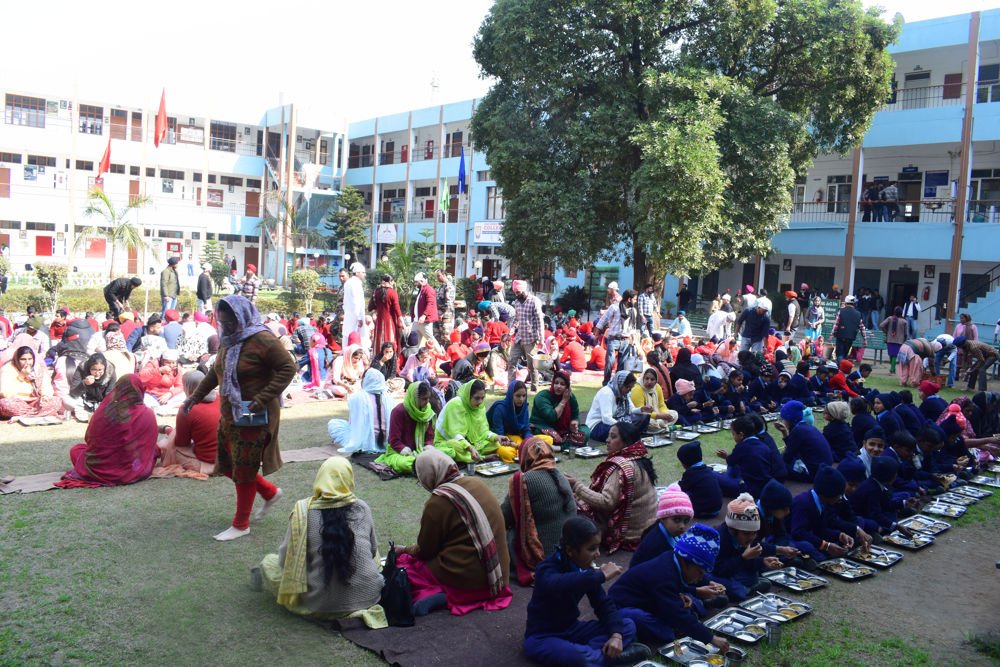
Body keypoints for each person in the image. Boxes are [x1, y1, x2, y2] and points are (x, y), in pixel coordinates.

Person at [184, 295, 297, 542]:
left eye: (230, 322)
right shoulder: (229, 340)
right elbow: (216, 372)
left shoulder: (263, 339)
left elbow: (288, 368)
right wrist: (195, 397)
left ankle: (241, 524)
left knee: (244, 467)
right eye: (222, 322)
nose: (226, 326)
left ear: (242, 316)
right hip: (230, 413)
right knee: (226, 465)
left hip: (254, 414)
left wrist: (263, 397)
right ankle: (269, 492)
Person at [258, 457, 386, 626]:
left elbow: (284, 561)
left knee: (269, 563)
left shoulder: (303, 512)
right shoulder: (362, 507)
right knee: (372, 553)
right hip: (370, 598)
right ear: (349, 479)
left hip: (320, 606)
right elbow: (373, 551)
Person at [395, 447, 512, 616]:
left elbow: (425, 550)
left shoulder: (438, 501)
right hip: (499, 577)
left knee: (407, 564)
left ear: (428, 475)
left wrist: (404, 550)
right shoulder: (477, 482)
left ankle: (441, 594)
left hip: (468, 581)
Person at [523, 516, 649, 667]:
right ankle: (608, 657)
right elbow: (558, 583)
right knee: (579, 657)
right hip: (542, 636)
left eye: (598, 547)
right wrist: (600, 576)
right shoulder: (546, 569)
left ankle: (594, 656)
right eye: (591, 549)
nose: (597, 554)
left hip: (573, 629)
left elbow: (602, 604)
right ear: (570, 550)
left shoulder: (586, 571)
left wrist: (616, 635)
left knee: (627, 626)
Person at [609, 524, 730, 651]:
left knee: (683, 611)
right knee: (667, 633)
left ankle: (689, 616)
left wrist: (692, 591)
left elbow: (673, 587)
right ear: (685, 562)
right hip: (621, 607)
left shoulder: (673, 559)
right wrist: (712, 638)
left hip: (649, 600)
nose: (701, 578)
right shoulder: (664, 574)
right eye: (700, 572)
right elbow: (676, 609)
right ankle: (630, 644)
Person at [567, 417, 657, 553]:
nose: (607, 440)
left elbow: (606, 502)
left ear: (626, 441)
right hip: (646, 529)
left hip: (629, 534)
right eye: (609, 436)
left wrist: (576, 486)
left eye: (613, 437)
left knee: (571, 512)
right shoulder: (639, 458)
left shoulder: (621, 466)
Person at [55, 376, 160, 488]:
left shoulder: (104, 411)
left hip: (100, 469)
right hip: (134, 470)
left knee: (76, 450)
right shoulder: (147, 413)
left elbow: (89, 438)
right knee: (155, 450)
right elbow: (149, 443)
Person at [501, 438, 576, 585]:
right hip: (570, 552)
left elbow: (503, 517)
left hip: (545, 555)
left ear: (525, 457)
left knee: (507, 533)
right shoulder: (560, 475)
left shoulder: (525, 480)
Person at [790, 465, 871, 561]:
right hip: (792, 539)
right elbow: (798, 533)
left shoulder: (825, 503)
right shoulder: (802, 502)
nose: (840, 498)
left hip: (813, 535)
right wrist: (825, 545)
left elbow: (822, 528)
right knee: (808, 548)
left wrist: (839, 535)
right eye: (839, 495)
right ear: (827, 495)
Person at [711, 494, 783, 602]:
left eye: (754, 533)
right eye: (746, 534)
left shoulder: (744, 538)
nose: (751, 538)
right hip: (716, 573)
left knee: (752, 576)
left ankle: (745, 587)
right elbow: (719, 570)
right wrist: (743, 558)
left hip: (734, 569)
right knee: (737, 591)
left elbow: (747, 561)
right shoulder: (720, 539)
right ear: (733, 530)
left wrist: (763, 561)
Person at [159, 370, 220, 475]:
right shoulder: (221, 398)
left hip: (207, 462)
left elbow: (181, 443)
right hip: (229, 459)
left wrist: (167, 430)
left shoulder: (187, 409)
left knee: (166, 446)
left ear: (188, 388)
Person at [435, 379, 507, 463]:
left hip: (473, 443)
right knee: (456, 447)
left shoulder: (479, 408)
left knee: (494, 444)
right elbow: (455, 435)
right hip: (449, 441)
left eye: (482, 398)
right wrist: (470, 448)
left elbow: (483, 432)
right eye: (477, 398)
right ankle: (482, 457)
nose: (480, 402)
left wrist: (496, 437)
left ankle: (473, 456)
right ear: (468, 395)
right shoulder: (456, 405)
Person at [327, 369, 395, 455]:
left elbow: (353, 424)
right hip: (387, 441)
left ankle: (363, 444)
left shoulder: (357, 397)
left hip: (363, 442)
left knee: (333, 424)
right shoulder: (390, 399)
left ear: (365, 380)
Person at [375, 380, 436, 475]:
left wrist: (428, 448)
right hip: (399, 452)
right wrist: (406, 451)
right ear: (415, 398)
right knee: (403, 463)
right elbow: (394, 440)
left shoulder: (427, 412)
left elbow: (429, 437)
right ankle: (419, 465)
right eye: (424, 399)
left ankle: (424, 464)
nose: (427, 402)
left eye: (428, 398)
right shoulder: (398, 411)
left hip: (421, 450)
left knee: (445, 452)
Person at [630, 484, 695, 567]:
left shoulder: (669, 532)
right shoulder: (656, 543)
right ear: (663, 517)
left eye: (686, 521)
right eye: (676, 520)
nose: (682, 526)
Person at [715, 415, 779, 498]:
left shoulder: (741, 447)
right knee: (734, 468)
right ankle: (728, 477)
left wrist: (726, 457)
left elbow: (731, 461)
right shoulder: (763, 444)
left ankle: (726, 479)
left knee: (712, 475)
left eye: (733, 434)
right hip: (766, 485)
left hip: (748, 489)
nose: (733, 437)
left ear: (741, 434)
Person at [529, 369, 590, 449]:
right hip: (543, 426)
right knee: (552, 436)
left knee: (585, 432)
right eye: (556, 383)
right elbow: (551, 417)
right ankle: (568, 444)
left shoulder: (570, 396)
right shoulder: (542, 396)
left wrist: (575, 422)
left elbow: (575, 414)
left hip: (565, 430)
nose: (558, 386)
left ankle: (559, 447)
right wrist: (563, 401)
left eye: (562, 384)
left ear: (567, 386)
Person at [0, 346, 63, 421]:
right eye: (23, 359)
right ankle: (38, 415)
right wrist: (22, 375)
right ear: (17, 359)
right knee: (4, 404)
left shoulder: (37, 369)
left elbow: (47, 387)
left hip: (35, 402)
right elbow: (5, 393)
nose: (27, 362)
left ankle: (24, 416)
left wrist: (45, 396)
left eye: (30, 359)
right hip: (17, 402)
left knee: (56, 401)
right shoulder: (8, 369)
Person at [487, 381, 542, 463]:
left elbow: (526, 429)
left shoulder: (524, 407)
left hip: (516, 437)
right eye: (518, 396)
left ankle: (524, 450)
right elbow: (499, 434)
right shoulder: (500, 408)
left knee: (546, 439)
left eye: (524, 396)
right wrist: (517, 445)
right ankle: (525, 451)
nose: (521, 399)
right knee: (507, 453)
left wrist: (530, 440)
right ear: (511, 395)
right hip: (500, 439)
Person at [777, 400, 833, 481]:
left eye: (783, 419)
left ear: (789, 419)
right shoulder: (805, 426)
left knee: (779, 466)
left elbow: (787, 457)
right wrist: (784, 432)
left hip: (815, 473)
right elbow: (792, 447)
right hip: (824, 467)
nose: (782, 421)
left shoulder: (797, 431)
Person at [508, 279, 545, 391]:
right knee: (511, 362)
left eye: (518, 292)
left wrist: (541, 338)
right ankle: (511, 388)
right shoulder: (517, 302)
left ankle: (534, 388)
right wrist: (510, 332)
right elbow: (516, 319)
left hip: (531, 338)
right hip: (519, 337)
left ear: (524, 290)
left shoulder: (534, 301)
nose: (516, 294)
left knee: (532, 365)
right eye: (515, 292)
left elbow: (539, 320)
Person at [586, 371, 642, 443]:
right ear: (620, 384)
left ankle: (628, 436)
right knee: (622, 432)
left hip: (615, 421)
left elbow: (631, 410)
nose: (629, 390)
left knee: (642, 419)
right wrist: (623, 427)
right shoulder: (606, 393)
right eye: (627, 387)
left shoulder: (624, 394)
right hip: (598, 426)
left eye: (631, 388)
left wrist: (642, 409)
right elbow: (606, 418)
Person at [64, 352, 116, 422]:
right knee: (68, 400)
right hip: (85, 400)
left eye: (100, 370)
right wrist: (84, 383)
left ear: (104, 368)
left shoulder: (110, 371)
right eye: (94, 370)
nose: (97, 373)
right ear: (89, 367)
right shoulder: (82, 368)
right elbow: (73, 392)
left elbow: (109, 393)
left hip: (102, 401)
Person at [630, 368, 678, 434]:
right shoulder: (637, 388)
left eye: (652, 379)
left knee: (674, 414)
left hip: (658, 415)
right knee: (650, 423)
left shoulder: (657, 387)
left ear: (656, 381)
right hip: (644, 417)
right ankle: (664, 428)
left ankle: (661, 428)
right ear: (643, 378)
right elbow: (641, 412)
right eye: (647, 378)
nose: (649, 382)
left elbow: (661, 405)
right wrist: (659, 416)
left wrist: (665, 414)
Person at [368, 274, 403, 360]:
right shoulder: (392, 292)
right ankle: (391, 359)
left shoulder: (376, 292)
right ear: (390, 281)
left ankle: (378, 359)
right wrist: (402, 322)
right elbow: (397, 309)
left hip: (379, 321)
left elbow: (370, 307)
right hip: (390, 321)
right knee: (390, 339)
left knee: (379, 340)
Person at [138, 349, 185, 414]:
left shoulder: (177, 368)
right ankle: (163, 408)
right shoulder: (152, 364)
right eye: (168, 362)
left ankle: (160, 408)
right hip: (150, 394)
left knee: (184, 396)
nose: (171, 365)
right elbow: (141, 377)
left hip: (166, 396)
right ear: (162, 361)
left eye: (173, 363)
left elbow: (180, 386)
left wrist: (169, 394)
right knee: (144, 401)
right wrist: (159, 370)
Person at [341, 263, 368, 351]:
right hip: (355, 316)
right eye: (363, 272)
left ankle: (346, 353)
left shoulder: (348, 283)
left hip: (349, 314)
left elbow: (345, 302)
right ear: (357, 273)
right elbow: (357, 302)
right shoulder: (355, 284)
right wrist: (359, 317)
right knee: (356, 336)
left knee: (347, 335)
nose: (364, 274)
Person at [879, 307, 909, 374]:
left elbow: (881, 325)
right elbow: (906, 333)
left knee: (891, 354)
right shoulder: (904, 321)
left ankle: (892, 369)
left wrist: (886, 332)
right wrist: (905, 339)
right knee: (895, 355)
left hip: (890, 339)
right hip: (899, 341)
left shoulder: (890, 318)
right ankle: (892, 369)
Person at [435, 269, 456, 347]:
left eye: (439, 276)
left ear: (444, 275)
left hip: (446, 316)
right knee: (438, 336)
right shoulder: (442, 286)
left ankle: (448, 352)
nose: (437, 278)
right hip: (439, 314)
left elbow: (449, 303)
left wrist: (444, 314)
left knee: (446, 336)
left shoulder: (449, 286)